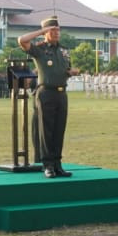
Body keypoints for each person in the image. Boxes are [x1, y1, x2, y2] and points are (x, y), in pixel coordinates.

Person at [18, 16, 79, 178]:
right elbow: (22, 40)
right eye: (52, 30)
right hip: (46, 93)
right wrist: (42, 31)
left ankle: (58, 164)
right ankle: (48, 165)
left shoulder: (64, 50)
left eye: (58, 30)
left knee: (59, 129)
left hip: (61, 93)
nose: (56, 33)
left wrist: (70, 73)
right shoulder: (39, 49)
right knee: (46, 130)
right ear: (46, 32)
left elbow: (65, 70)